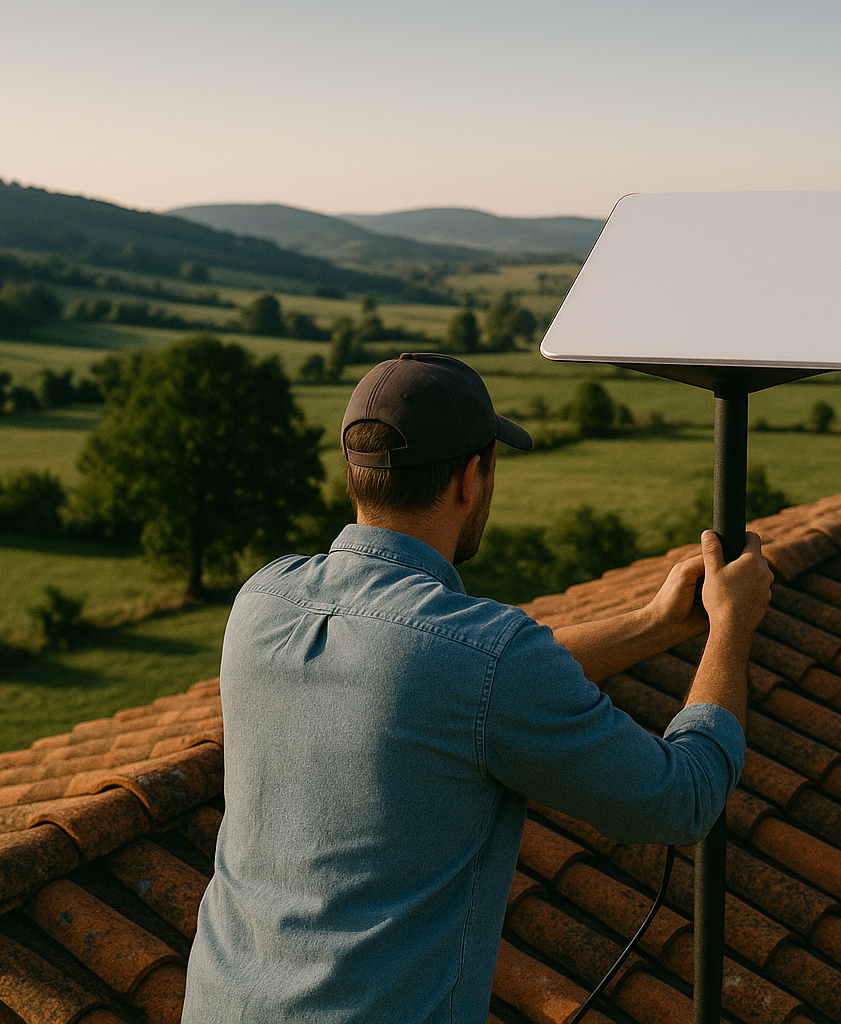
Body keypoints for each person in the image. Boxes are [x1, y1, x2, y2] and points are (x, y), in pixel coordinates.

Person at [183, 352, 773, 1023]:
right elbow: (683, 798)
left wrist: (653, 624)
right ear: (472, 477)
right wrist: (731, 627)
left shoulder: (262, 599)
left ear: (357, 476)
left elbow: (457, 677)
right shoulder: (482, 660)